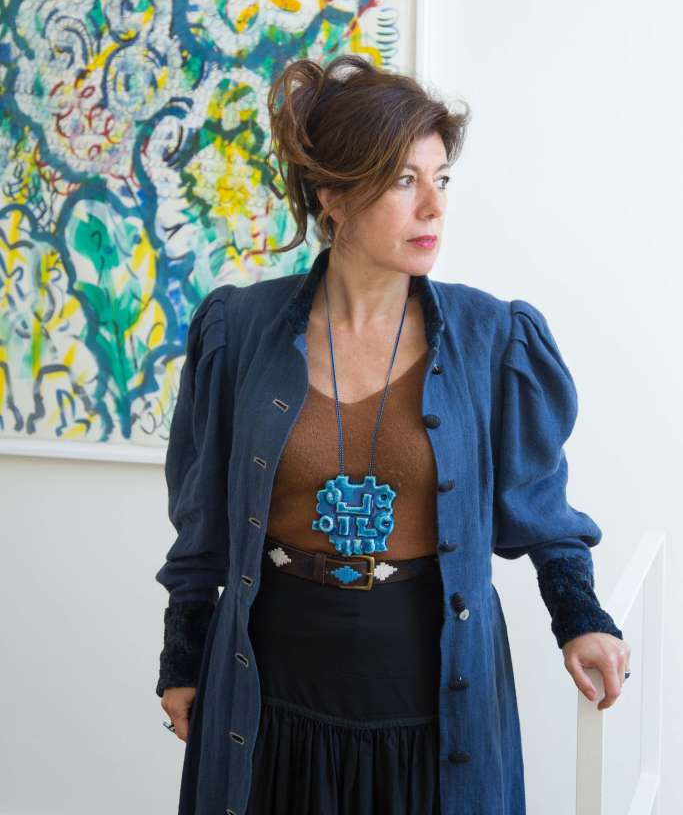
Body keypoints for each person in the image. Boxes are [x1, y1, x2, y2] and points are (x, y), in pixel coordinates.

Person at [155, 54, 630, 815]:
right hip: (269, 697)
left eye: (441, 179)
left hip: (434, 703)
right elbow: (202, 523)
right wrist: (182, 658)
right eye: (404, 180)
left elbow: (542, 515)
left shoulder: (491, 336)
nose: (433, 208)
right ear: (333, 194)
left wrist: (581, 621)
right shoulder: (237, 330)